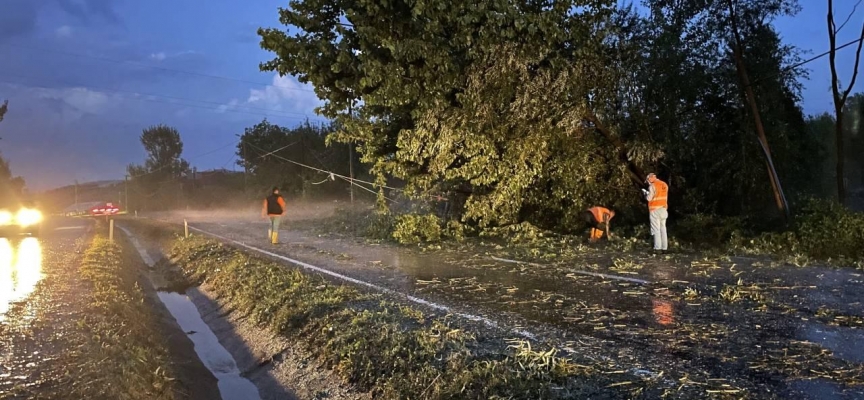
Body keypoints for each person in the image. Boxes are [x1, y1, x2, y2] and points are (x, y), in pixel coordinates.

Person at [642, 173, 668, 252]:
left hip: (655, 210)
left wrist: (646, 194)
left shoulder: (652, 186)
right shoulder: (664, 184)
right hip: (663, 209)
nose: (648, 182)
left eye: (648, 181)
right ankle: (664, 248)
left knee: (656, 230)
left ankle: (657, 248)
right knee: (663, 229)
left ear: (650, 179)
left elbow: (649, 198)